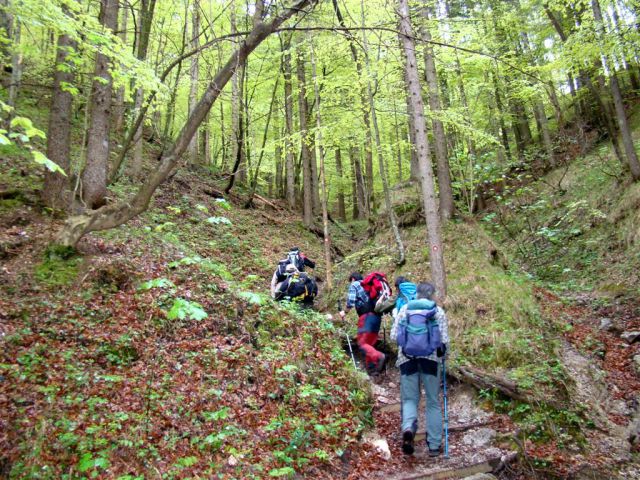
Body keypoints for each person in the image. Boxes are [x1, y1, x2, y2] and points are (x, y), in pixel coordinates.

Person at [390, 282, 449, 457]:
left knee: (409, 399)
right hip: (431, 360)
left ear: (416, 294)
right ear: (432, 294)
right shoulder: (437, 312)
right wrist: (444, 357)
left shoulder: (405, 309)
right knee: (432, 402)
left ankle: (408, 428)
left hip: (407, 360)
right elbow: (444, 341)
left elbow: (394, 336)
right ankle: (434, 445)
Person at [339, 272, 386, 374]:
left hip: (366, 317)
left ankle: (379, 356)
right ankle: (373, 370)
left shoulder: (355, 284)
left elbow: (351, 302)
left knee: (362, 343)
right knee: (370, 344)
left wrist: (344, 312)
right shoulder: (370, 285)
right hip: (377, 317)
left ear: (352, 279)